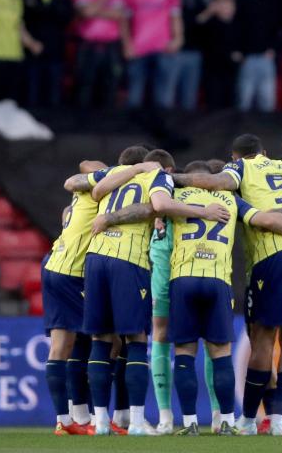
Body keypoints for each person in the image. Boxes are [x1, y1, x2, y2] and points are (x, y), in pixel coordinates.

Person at [169, 134, 282, 436]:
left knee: (263, 339)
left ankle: (251, 419)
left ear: (236, 159)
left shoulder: (239, 172)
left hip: (273, 256)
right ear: (264, 152)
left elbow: (221, 188)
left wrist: (171, 177)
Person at [78, 150, 230, 436]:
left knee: (101, 341)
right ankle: (136, 423)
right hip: (129, 260)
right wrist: (203, 212)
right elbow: (160, 204)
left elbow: (96, 191)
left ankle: (100, 423)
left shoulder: (115, 174)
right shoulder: (158, 176)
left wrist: (133, 170)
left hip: (95, 257)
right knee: (136, 339)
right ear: (168, 168)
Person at [47, 154, 154, 437]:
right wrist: (135, 169)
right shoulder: (116, 185)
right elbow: (85, 167)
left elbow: (80, 173)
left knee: (71, 342)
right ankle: (96, 417)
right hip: (75, 270)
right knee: (107, 340)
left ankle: (71, 418)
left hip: (55, 264)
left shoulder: (97, 189)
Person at [123, 0, 182, 109]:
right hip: (138, 48)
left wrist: (177, 39)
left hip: (163, 48)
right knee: (134, 95)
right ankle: (132, 132)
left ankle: (162, 131)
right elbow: (125, 20)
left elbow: (175, 16)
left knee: (163, 97)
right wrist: (127, 44)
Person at [73, 0, 126, 108]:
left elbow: (119, 15)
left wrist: (95, 9)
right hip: (88, 45)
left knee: (110, 83)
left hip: (111, 45)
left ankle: (107, 124)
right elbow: (86, 13)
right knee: (85, 82)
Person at [22, 0, 71, 107]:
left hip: (55, 51)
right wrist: (31, 43)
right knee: (32, 94)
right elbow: (20, 22)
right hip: (33, 52)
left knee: (54, 93)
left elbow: (66, 18)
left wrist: (44, 9)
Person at [234, 0, 278, 112]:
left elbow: (276, 27)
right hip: (246, 57)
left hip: (265, 56)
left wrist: (273, 48)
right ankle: (242, 132)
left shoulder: (269, 0)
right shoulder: (238, 1)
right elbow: (234, 28)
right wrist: (238, 51)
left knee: (267, 100)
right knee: (244, 99)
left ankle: (267, 131)